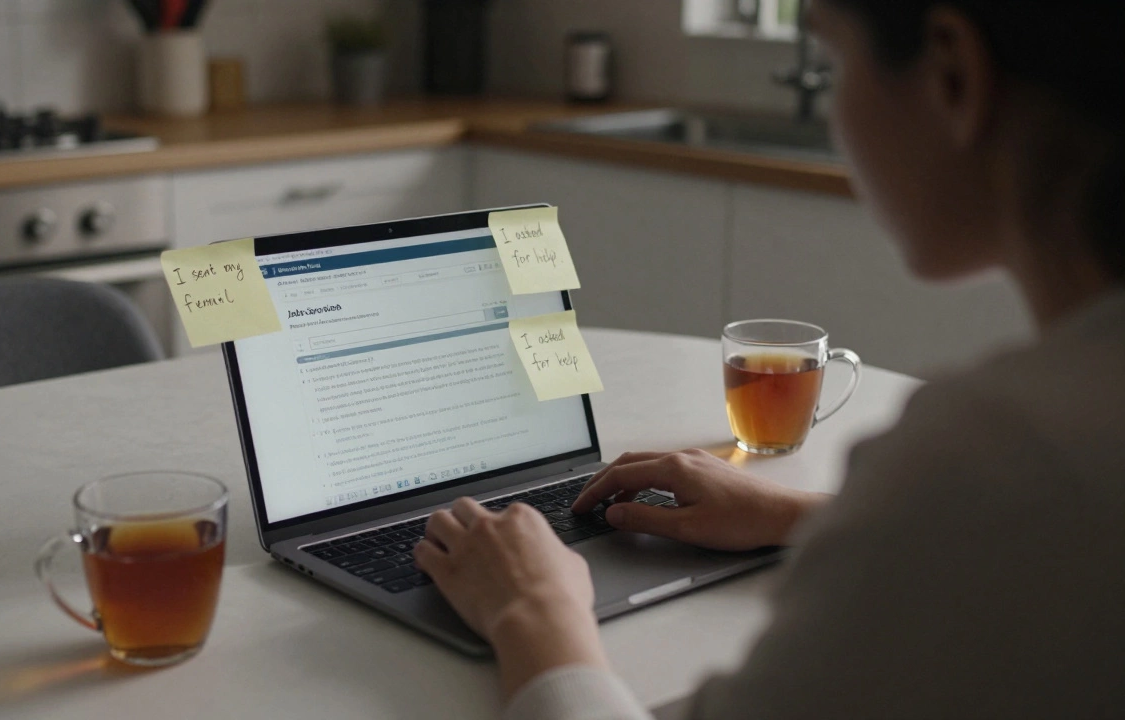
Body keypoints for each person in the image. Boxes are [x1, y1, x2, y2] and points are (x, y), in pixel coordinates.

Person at [412, 0, 1125, 717]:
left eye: (836, 60)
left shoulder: (998, 457)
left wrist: (533, 608)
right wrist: (801, 515)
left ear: (953, 75)